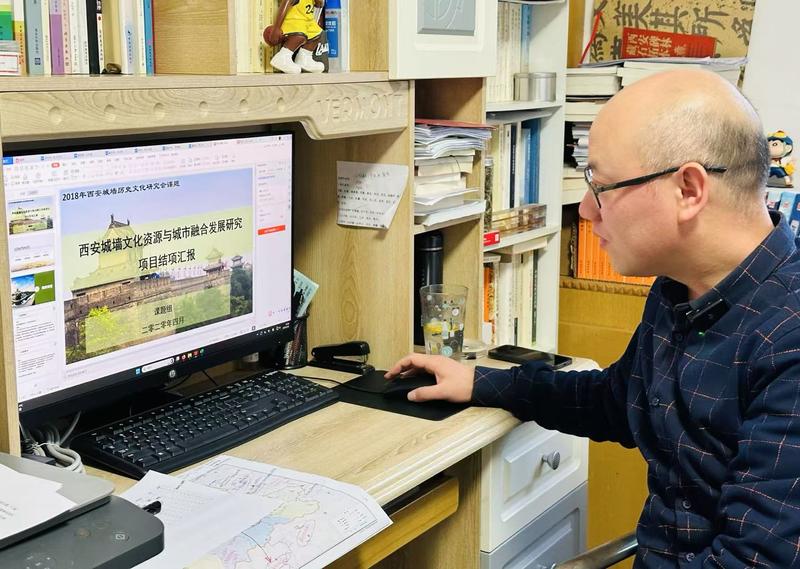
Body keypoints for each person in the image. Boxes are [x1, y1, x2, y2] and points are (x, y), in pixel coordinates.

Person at [386, 69, 800, 567]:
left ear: (689, 189)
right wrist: (481, 382)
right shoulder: (681, 288)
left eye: (601, 186)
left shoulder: (788, 338)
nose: (585, 210)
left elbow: (754, 560)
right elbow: (619, 401)